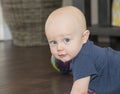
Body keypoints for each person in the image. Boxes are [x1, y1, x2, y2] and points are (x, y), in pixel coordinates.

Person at [45, 6, 120, 94]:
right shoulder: (82, 51)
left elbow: (79, 91)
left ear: (84, 37)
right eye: (53, 42)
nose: (59, 48)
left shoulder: (83, 58)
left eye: (66, 40)